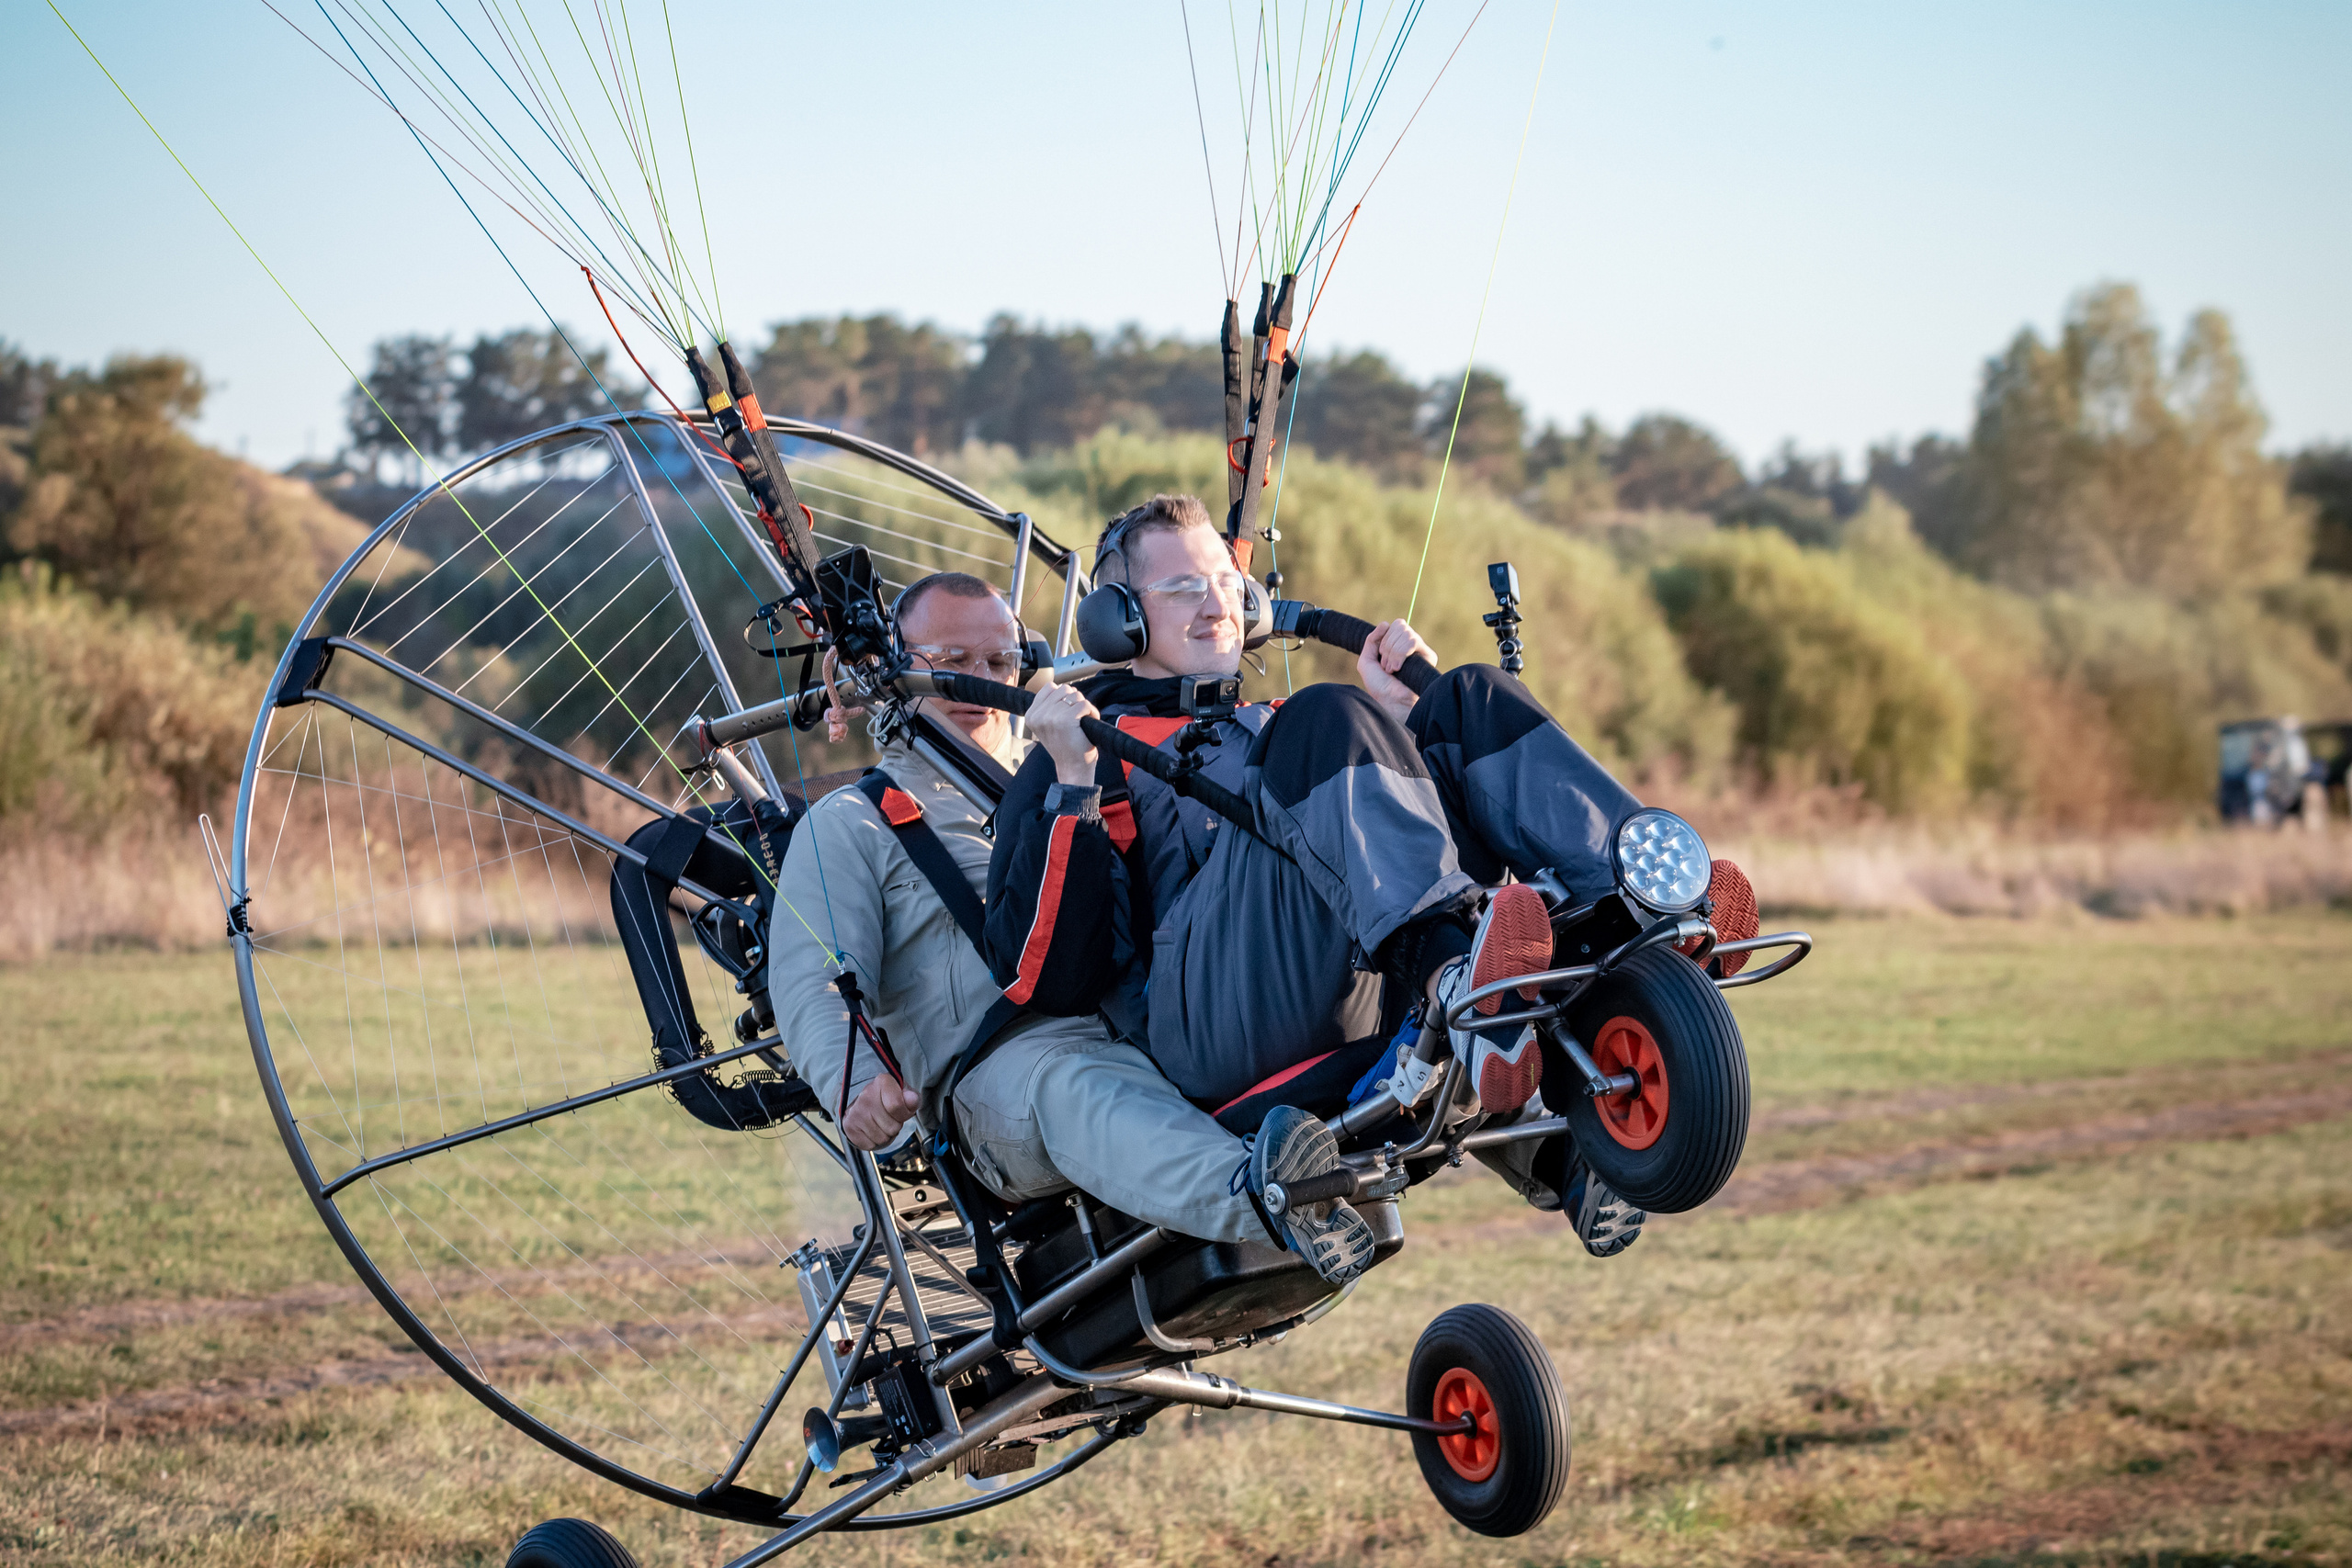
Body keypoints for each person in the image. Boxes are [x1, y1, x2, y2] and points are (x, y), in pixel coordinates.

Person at [988, 494, 1668, 1266]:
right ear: (1119, 621)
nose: (1217, 604)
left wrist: (1404, 730)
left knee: (1461, 699)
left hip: (1346, 975)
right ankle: (1458, 977)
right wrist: (1074, 786)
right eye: (1182, 588)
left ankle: (1643, 904)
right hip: (1213, 1023)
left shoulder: (1271, 722)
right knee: (1321, 720)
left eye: (1225, 582)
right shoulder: (1076, 750)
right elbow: (1043, 978)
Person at [768, 571, 1319, 1266]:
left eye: (997, 662)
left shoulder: (1079, 766)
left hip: (1149, 1023)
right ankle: (1268, 1197)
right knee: (1074, 1084)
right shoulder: (851, 821)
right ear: (898, 670)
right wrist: (852, 1084)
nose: (978, 681)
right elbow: (812, 977)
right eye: (952, 662)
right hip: (1007, 1073)